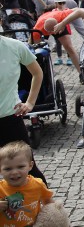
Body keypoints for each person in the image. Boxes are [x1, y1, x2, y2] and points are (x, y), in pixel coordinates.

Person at [0, 35, 45, 184]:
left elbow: (37, 73)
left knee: (30, 171)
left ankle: (46, 205)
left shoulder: (14, 46)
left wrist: (30, 102)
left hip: (10, 119)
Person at [0, 141, 55, 226]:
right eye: (8, 169)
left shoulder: (38, 184)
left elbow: (48, 201)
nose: (14, 172)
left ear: (30, 165)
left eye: (20, 167)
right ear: (0, 170)